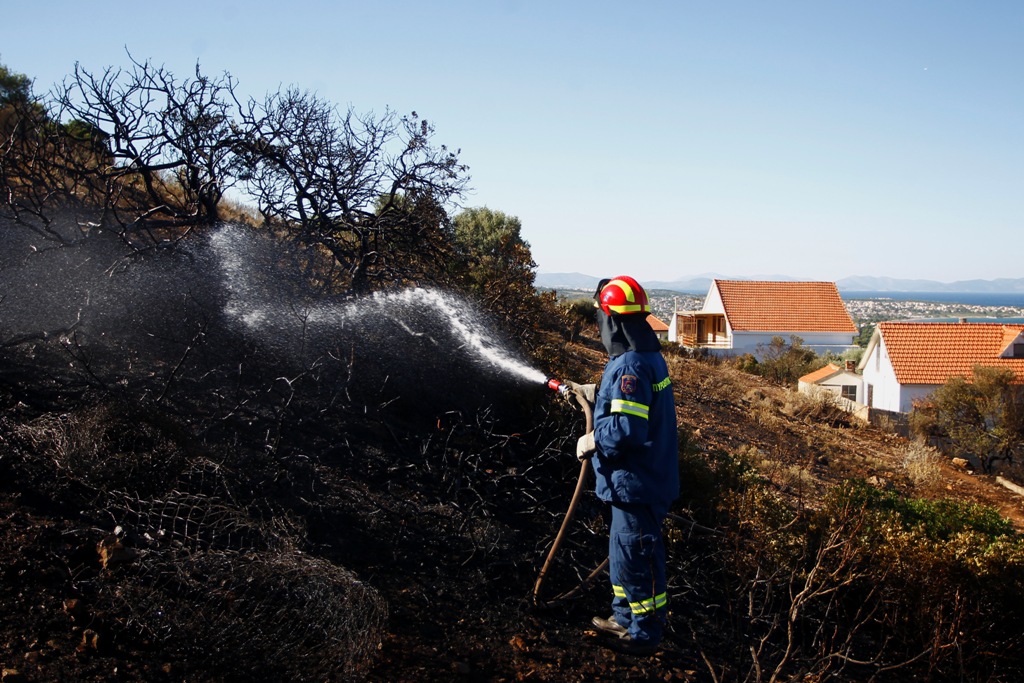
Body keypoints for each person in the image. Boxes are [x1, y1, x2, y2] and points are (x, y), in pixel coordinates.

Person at [567, 275, 679, 656]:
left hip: (638, 482)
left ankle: (644, 632)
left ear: (612, 320)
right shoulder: (642, 356)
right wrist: (594, 392)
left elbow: (629, 427)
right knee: (622, 553)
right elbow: (629, 401)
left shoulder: (630, 365)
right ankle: (623, 617)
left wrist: (595, 439)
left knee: (637, 554)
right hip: (634, 482)